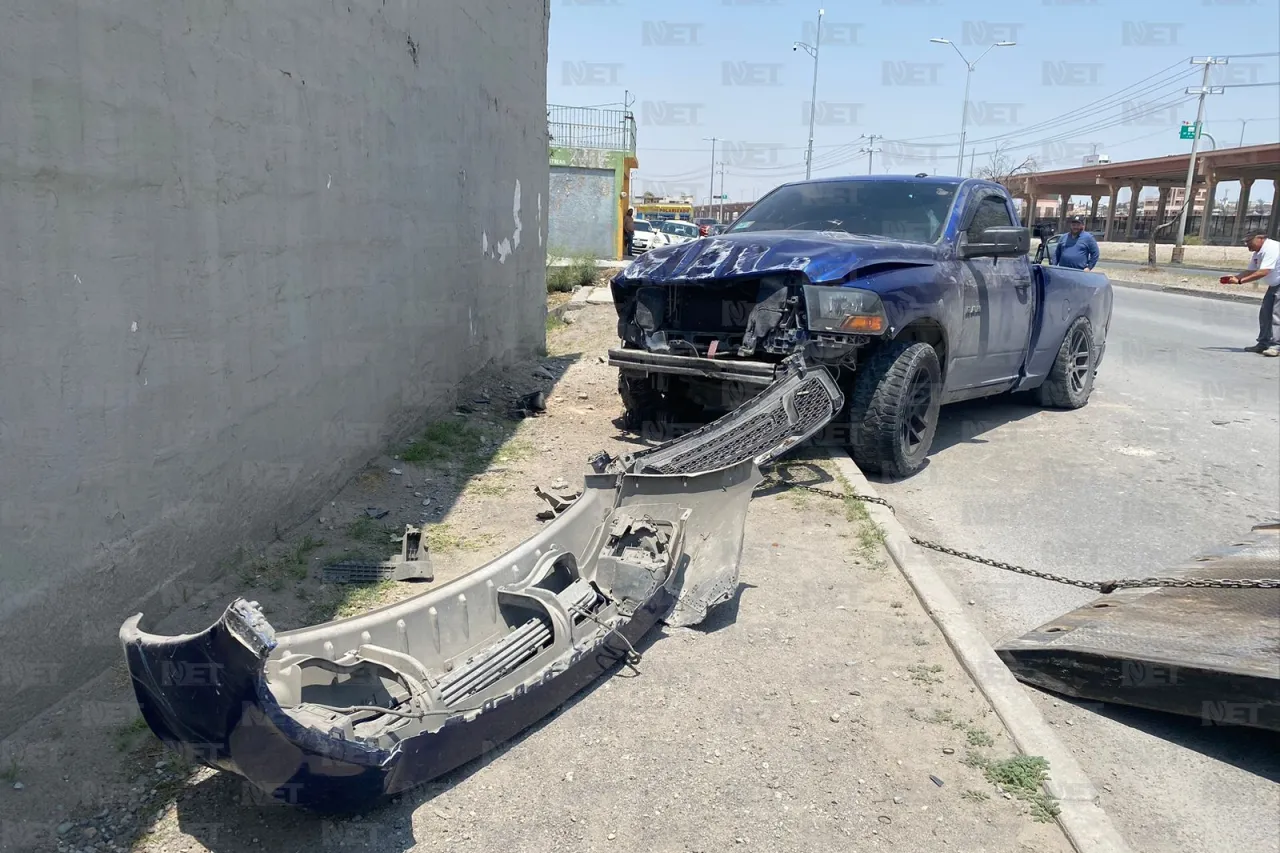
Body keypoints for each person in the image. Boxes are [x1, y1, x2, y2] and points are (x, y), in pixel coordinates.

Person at [1223, 230, 1280, 356]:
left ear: (1260, 238)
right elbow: (1250, 271)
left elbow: (1263, 272)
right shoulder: (1258, 252)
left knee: (1277, 315)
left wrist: (1240, 282)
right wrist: (1236, 278)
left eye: (1249, 241)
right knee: (1265, 314)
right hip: (1274, 285)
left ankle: (1276, 346)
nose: (1247, 244)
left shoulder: (1271, 248)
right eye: (1245, 241)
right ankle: (1263, 343)